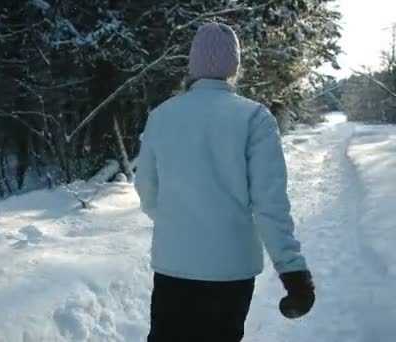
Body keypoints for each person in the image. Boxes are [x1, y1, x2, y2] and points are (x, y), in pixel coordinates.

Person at [135, 23, 315, 341]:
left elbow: (148, 192)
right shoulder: (254, 118)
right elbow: (269, 203)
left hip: (173, 266)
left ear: (193, 64)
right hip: (230, 272)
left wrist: (179, 222)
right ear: (234, 66)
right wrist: (292, 271)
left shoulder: (162, 116)